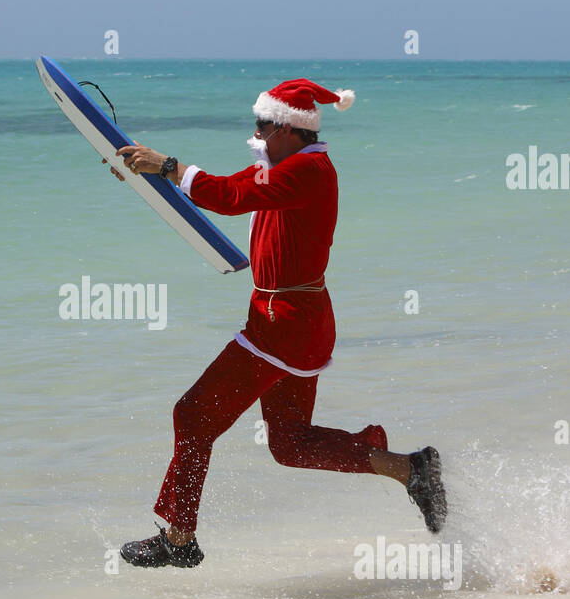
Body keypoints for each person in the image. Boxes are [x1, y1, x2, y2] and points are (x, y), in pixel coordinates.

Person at [105, 78, 446, 569]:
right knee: (288, 442)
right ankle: (410, 469)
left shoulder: (308, 170)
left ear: (289, 127)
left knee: (192, 416)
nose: (256, 134)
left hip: (281, 325)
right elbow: (223, 190)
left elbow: (229, 195)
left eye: (262, 125)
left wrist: (171, 166)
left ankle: (179, 541)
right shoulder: (284, 166)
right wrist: (147, 173)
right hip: (300, 323)